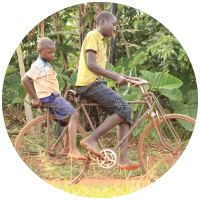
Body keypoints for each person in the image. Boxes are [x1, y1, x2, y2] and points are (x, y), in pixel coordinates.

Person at [76, 11, 141, 170]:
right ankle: (91, 139)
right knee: (124, 107)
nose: (115, 28)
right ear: (102, 21)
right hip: (90, 83)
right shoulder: (93, 35)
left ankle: (123, 160)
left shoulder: (103, 41)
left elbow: (103, 67)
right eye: (113, 24)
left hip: (97, 83)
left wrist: (128, 78)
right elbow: (92, 65)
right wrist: (116, 78)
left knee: (124, 115)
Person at [22, 37, 87, 161]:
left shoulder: (46, 64)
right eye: (49, 52)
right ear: (40, 52)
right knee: (74, 115)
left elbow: (40, 83)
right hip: (51, 97)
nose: (52, 55)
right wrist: (35, 98)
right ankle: (73, 150)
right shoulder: (38, 64)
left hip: (51, 97)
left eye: (53, 52)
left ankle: (67, 148)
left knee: (69, 120)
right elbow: (25, 79)